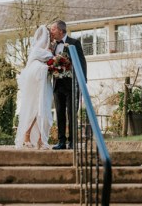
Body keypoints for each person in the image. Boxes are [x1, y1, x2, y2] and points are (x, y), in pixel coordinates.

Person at [14, 25, 54, 149]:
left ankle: (41, 139)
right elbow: (33, 67)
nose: (51, 37)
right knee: (35, 108)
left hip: (45, 82)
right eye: (50, 35)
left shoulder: (50, 49)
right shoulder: (37, 50)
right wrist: (48, 65)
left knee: (44, 109)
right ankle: (27, 135)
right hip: (37, 83)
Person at [50, 20, 87, 150]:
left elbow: (82, 62)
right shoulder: (53, 45)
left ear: (60, 30)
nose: (51, 32)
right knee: (59, 113)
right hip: (57, 84)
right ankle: (61, 142)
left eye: (53, 29)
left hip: (72, 84)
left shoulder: (74, 43)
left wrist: (83, 81)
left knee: (72, 113)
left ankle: (72, 141)